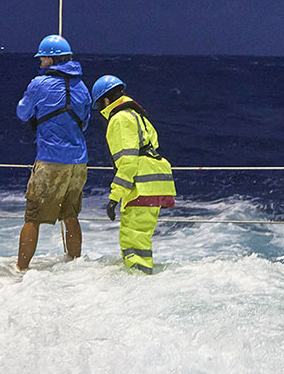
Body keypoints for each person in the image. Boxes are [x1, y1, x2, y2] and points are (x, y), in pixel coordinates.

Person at [14, 34, 91, 271]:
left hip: (50, 161)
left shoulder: (39, 84)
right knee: (70, 215)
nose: (40, 63)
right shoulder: (82, 87)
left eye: (42, 58)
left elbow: (22, 113)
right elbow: (85, 123)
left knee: (33, 217)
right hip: (78, 162)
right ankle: (74, 266)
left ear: (51, 59)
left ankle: (21, 271)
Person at [89, 74, 176, 273]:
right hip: (156, 182)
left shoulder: (119, 119)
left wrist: (114, 198)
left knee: (133, 241)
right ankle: (141, 276)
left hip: (142, 185)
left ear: (106, 101)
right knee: (139, 237)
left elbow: (128, 162)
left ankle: (141, 281)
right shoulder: (137, 115)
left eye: (99, 105)